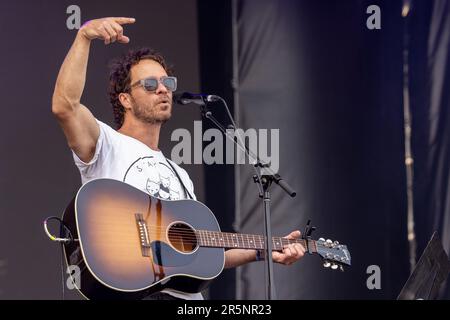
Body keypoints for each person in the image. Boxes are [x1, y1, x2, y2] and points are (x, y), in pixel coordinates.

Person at [52, 17, 305, 300]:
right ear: (125, 99)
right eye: (149, 84)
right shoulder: (106, 143)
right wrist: (84, 37)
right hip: (136, 292)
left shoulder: (179, 175)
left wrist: (265, 250)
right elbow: (65, 106)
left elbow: (202, 255)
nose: (163, 89)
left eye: (167, 82)